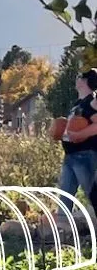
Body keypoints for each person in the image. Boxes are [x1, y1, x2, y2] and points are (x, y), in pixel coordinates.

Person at [57, 68, 97, 220]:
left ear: (85, 81)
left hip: (85, 155)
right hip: (70, 156)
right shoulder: (77, 104)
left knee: (92, 194)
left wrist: (79, 135)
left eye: (79, 76)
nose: (76, 79)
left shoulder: (91, 102)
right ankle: (62, 228)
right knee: (65, 194)